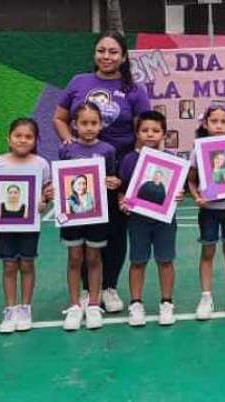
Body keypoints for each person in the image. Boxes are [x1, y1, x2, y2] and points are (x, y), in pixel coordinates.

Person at [52, 32, 151, 314]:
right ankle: (86, 291)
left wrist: (135, 166)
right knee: (82, 225)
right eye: (101, 50)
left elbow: (143, 128)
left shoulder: (134, 89)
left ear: (123, 57)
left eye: (113, 52)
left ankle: (108, 287)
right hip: (81, 169)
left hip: (116, 168)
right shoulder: (78, 82)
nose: (106, 56)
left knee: (115, 230)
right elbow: (59, 118)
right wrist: (67, 141)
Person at [0, 118, 52, 334]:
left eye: (28, 137)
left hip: (29, 225)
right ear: (9, 138)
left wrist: (44, 201)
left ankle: (25, 309)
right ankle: (10, 308)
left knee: (26, 264)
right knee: (9, 266)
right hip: (5, 225)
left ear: (35, 140)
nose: (22, 140)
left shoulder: (41, 164)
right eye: (18, 136)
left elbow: (45, 193)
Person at [58, 103, 120, 331]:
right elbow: (61, 181)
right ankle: (75, 305)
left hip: (96, 214)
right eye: (84, 123)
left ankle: (94, 304)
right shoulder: (66, 149)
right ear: (74, 125)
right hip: (73, 215)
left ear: (101, 124)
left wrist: (113, 182)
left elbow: (111, 178)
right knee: (75, 258)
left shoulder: (107, 150)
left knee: (94, 258)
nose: (89, 128)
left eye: (94, 123)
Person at [120, 111, 180, 326]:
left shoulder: (171, 160)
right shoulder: (129, 160)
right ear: (137, 133)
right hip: (138, 221)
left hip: (164, 220)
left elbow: (177, 190)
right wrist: (122, 201)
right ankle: (136, 304)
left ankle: (166, 303)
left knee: (165, 260)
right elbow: (123, 189)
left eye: (155, 130)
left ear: (163, 134)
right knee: (137, 261)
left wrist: (179, 194)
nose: (150, 134)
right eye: (145, 130)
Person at [188, 104, 225, 320]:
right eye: (214, 121)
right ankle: (206, 297)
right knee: (208, 252)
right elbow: (192, 181)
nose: (219, 126)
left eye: (224, 122)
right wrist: (196, 197)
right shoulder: (198, 150)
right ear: (205, 124)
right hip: (209, 210)